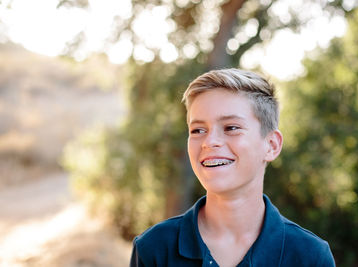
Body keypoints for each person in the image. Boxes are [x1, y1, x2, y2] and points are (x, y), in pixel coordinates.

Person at [130, 68, 335, 266]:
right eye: (198, 130)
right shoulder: (153, 248)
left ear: (271, 145)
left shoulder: (310, 257)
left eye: (231, 128)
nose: (209, 141)